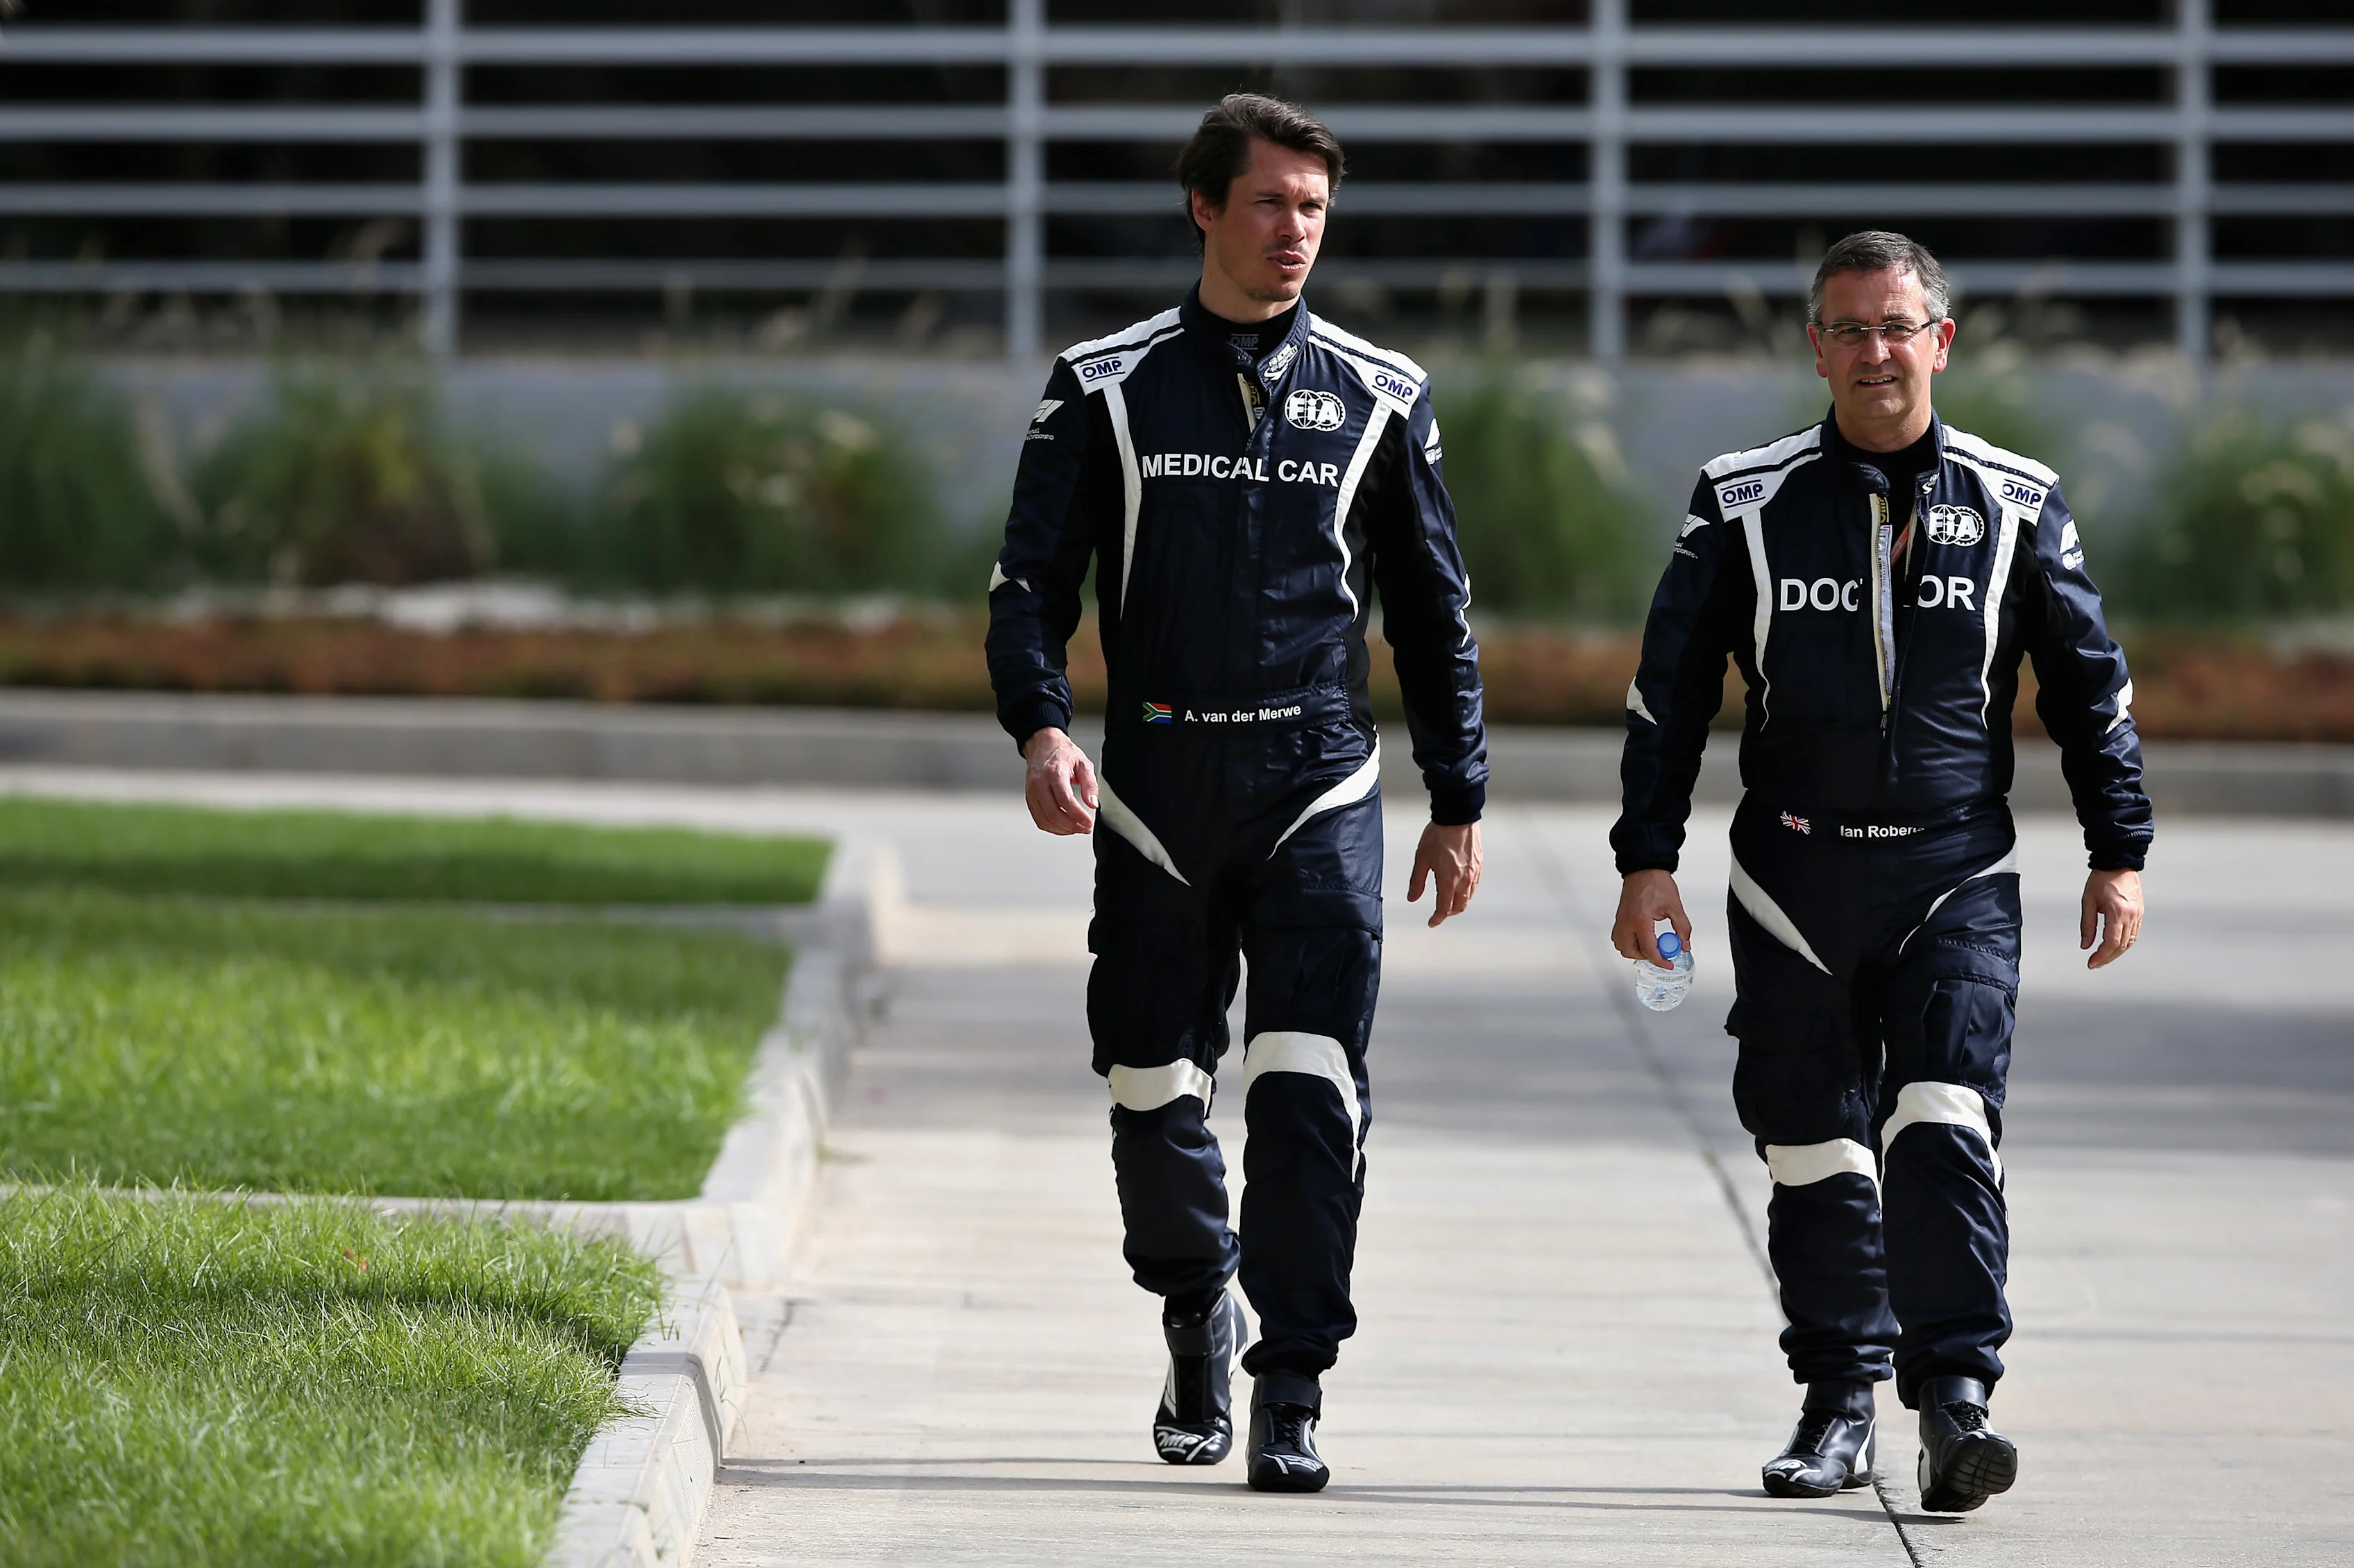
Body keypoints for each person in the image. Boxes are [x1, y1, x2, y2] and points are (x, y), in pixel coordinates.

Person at [985, 92, 1486, 1494]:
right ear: (1204, 207)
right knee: (1152, 1078)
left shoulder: (1381, 395)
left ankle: (1292, 1384)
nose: (1294, 233)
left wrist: (1459, 795)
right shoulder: (1104, 383)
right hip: (1153, 785)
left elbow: (1434, 617)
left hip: (1319, 783)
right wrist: (1040, 729)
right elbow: (1030, 586)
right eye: (1269, 204)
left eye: (1314, 210)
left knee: (1310, 1085)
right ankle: (1196, 1301)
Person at [1610, 231, 2151, 1514]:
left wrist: (2118, 851)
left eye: (1897, 326)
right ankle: (1839, 1400)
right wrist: (1648, 862)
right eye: (1848, 330)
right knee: (1813, 1151)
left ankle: (1955, 1403)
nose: (1874, 351)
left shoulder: (2019, 500)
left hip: (1954, 874)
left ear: (1940, 341)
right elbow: (1667, 697)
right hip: (1790, 881)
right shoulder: (1740, 497)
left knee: (1944, 1122)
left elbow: (2091, 692)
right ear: (1816, 347)